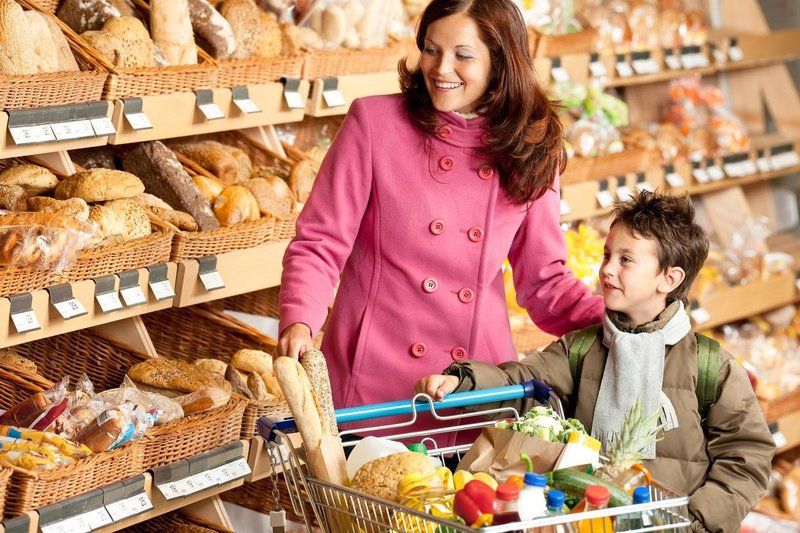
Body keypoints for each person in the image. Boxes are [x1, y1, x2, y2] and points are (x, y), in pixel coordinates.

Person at [275, 0, 603, 436]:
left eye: (463, 55)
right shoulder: (375, 123)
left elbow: (544, 283)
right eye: (431, 49)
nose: (441, 68)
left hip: (473, 390)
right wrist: (300, 320)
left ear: (500, 64)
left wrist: (623, 324)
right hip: (374, 383)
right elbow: (320, 242)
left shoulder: (532, 147)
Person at [416, 191, 775, 532]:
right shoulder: (583, 349)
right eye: (606, 255)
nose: (607, 269)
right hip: (587, 519)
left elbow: (748, 456)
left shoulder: (712, 366)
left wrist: (696, 519)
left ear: (670, 278)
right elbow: (525, 380)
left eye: (626, 260)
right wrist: (464, 383)